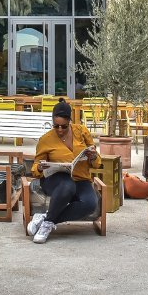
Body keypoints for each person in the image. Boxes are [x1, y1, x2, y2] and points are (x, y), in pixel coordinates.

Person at [27, 98, 102, 244]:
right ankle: (47, 226)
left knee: (90, 204)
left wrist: (93, 156)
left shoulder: (82, 132)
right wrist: (40, 167)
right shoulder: (46, 139)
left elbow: (96, 162)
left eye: (64, 126)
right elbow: (35, 168)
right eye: (56, 126)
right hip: (54, 180)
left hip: (81, 178)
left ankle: (46, 219)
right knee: (68, 185)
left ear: (70, 121)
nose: (60, 130)